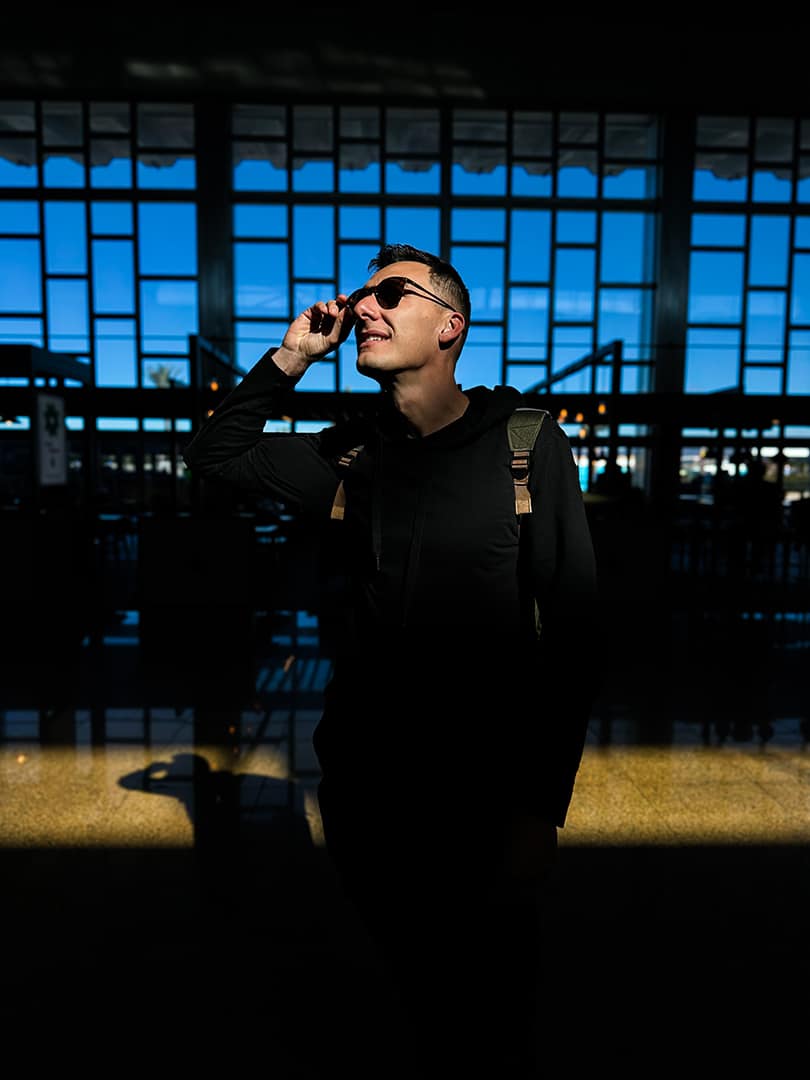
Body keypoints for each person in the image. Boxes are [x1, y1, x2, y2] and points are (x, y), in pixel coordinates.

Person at [183, 243, 599, 1077]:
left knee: (491, 985)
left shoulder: (525, 441)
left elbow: (576, 627)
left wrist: (538, 806)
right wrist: (294, 356)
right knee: (415, 968)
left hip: (485, 780)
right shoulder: (356, 454)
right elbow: (218, 456)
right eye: (361, 297)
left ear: (451, 327)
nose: (363, 308)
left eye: (391, 295)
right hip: (371, 777)